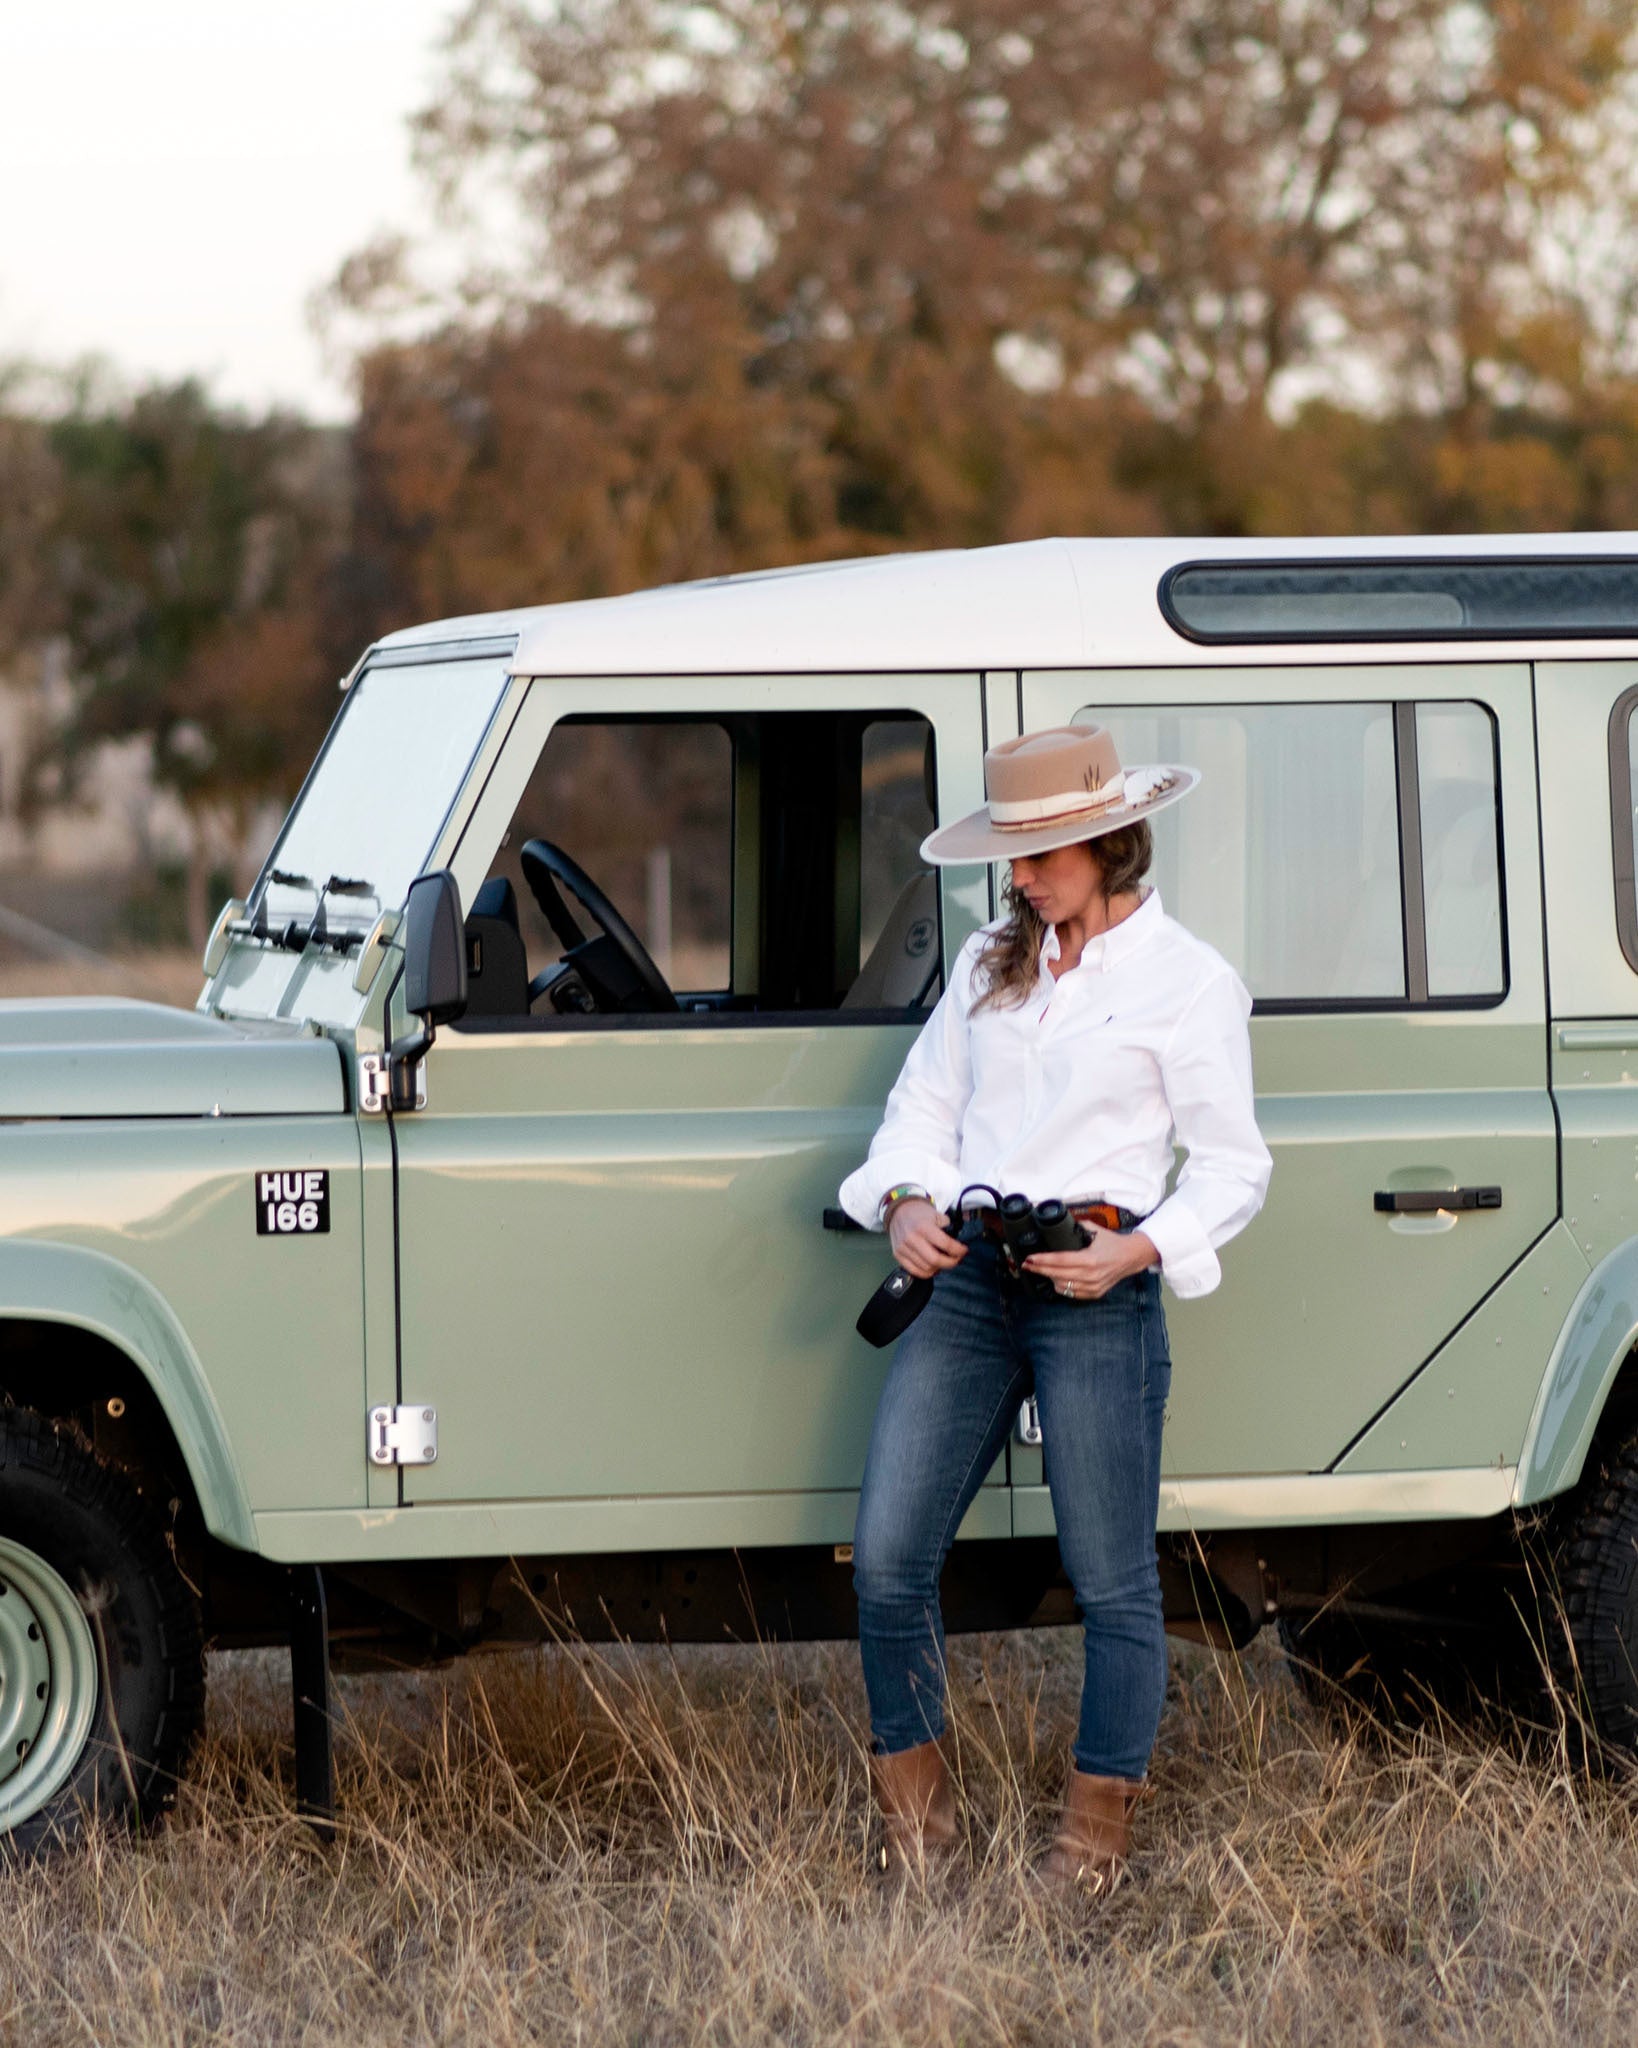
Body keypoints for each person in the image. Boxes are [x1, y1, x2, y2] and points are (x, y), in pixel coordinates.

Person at [838, 722, 1272, 1892]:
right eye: (1012, 857)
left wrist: (1135, 1251)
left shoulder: (1189, 982)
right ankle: (919, 1839)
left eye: (1038, 855)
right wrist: (906, 1200)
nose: (1018, 878)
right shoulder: (992, 955)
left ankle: (1090, 1851)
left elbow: (1236, 1166)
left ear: (1108, 841)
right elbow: (919, 1108)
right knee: (886, 1558)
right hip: (969, 1276)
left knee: (1114, 1577)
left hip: (1094, 1283)